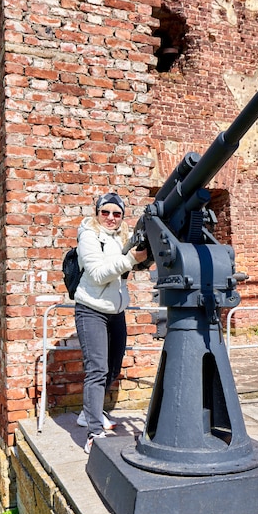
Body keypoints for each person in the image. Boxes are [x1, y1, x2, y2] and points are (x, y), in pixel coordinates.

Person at [74, 192, 147, 454]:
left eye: (116, 213)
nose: (110, 218)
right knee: (97, 370)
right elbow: (97, 273)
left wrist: (144, 256)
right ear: (97, 213)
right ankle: (93, 432)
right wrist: (130, 259)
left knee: (113, 365)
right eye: (105, 212)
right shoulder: (89, 236)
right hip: (91, 310)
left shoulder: (121, 238)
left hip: (116, 311)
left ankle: (88, 412)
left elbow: (129, 268)